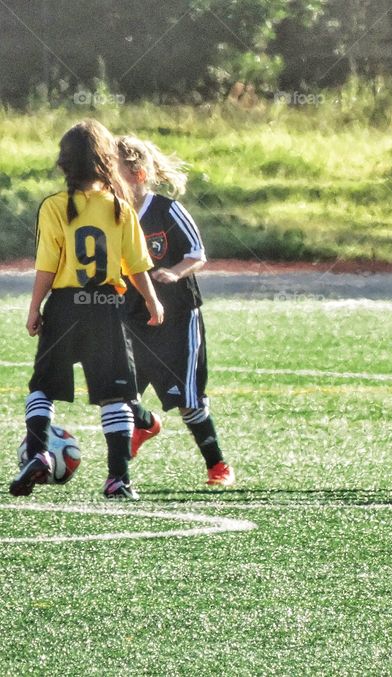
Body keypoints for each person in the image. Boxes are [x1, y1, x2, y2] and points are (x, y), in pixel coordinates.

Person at [9, 119, 164, 500]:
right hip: (107, 308)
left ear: (64, 165)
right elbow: (136, 265)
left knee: (42, 387)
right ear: (107, 163)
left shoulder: (54, 207)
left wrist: (35, 307)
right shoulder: (120, 209)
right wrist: (152, 300)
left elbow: (47, 263)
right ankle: (118, 480)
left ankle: (40, 452)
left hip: (64, 305)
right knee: (116, 395)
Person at [116, 135, 235, 487]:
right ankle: (145, 424)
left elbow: (197, 254)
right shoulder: (113, 215)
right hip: (131, 314)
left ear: (137, 175)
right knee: (118, 393)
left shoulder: (168, 211)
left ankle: (218, 466)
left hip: (178, 316)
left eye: (115, 174)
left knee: (188, 399)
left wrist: (174, 271)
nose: (108, 182)